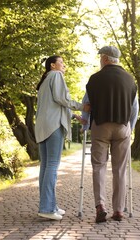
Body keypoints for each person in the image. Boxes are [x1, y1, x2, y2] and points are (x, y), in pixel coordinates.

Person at [86, 46, 138, 223]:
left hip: (100, 126)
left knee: (99, 166)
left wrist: (86, 124)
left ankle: (100, 206)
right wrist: (130, 126)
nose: (100, 60)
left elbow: (87, 104)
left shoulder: (94, 79)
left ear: (106, 59)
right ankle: (118, 210)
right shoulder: (130, 80)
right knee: (120, 169)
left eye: (101, 57)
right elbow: (134, 108)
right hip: (123, 127)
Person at [35, 55, 89, 220]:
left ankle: (51, 206)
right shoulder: (56, 75)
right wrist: (82, 107)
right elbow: (61, 99)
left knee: (45, 167)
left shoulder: (45, 80)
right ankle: (46, 208)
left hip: (43, 126)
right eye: (61, 62)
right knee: (52, 166)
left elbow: (54, 104)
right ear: (52, 65)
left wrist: (75, 116)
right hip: (54, 126)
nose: (63, 65)